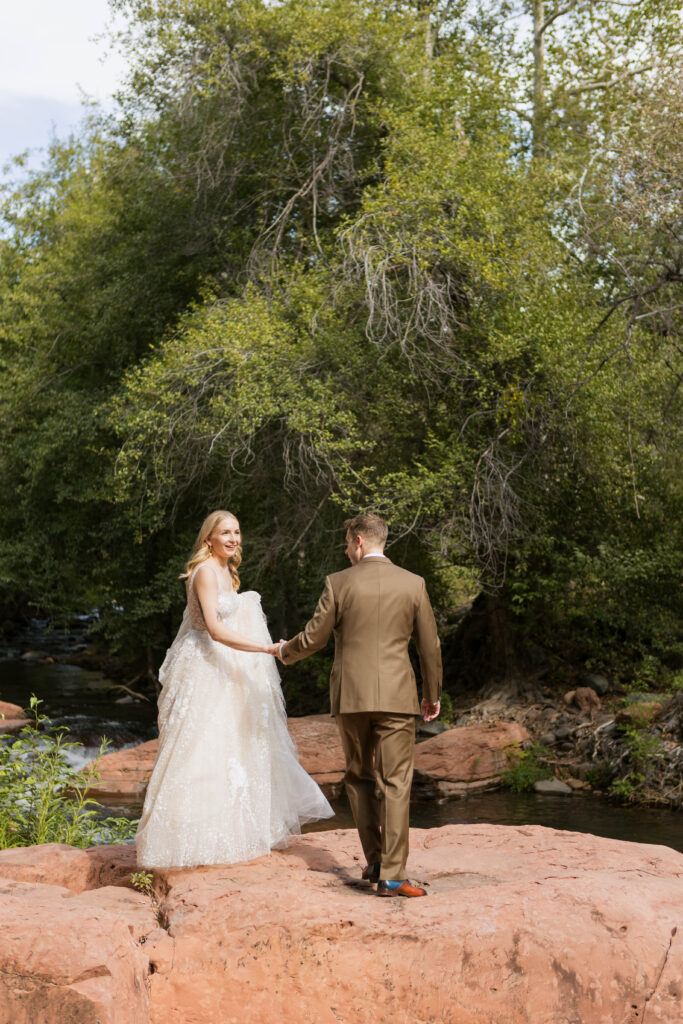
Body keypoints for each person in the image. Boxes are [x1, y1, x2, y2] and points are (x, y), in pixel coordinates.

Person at [136, 510, 333, 869]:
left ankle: (235, 834)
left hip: (227, 664)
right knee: (201, 747)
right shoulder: (206, 572)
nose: (233, 538)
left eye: (237, 532)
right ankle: (189, 841)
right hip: (205, 665)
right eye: (224, 532)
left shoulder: (227, 570)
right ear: (208, 537)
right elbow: (213, 628)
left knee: (234, 744)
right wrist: (267, 649)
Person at [278, 513, 442, 897]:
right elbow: (429, 646)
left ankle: (373, 861)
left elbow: (315, 638)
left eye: (346, 541)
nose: (345, 548)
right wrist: (432, 694)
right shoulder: (413, 584)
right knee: (396, 783)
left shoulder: (338, 583)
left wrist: (286, 651)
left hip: (350, 697)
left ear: (358, 541)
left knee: (358, 777)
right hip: (398, 697)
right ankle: (392, 875)